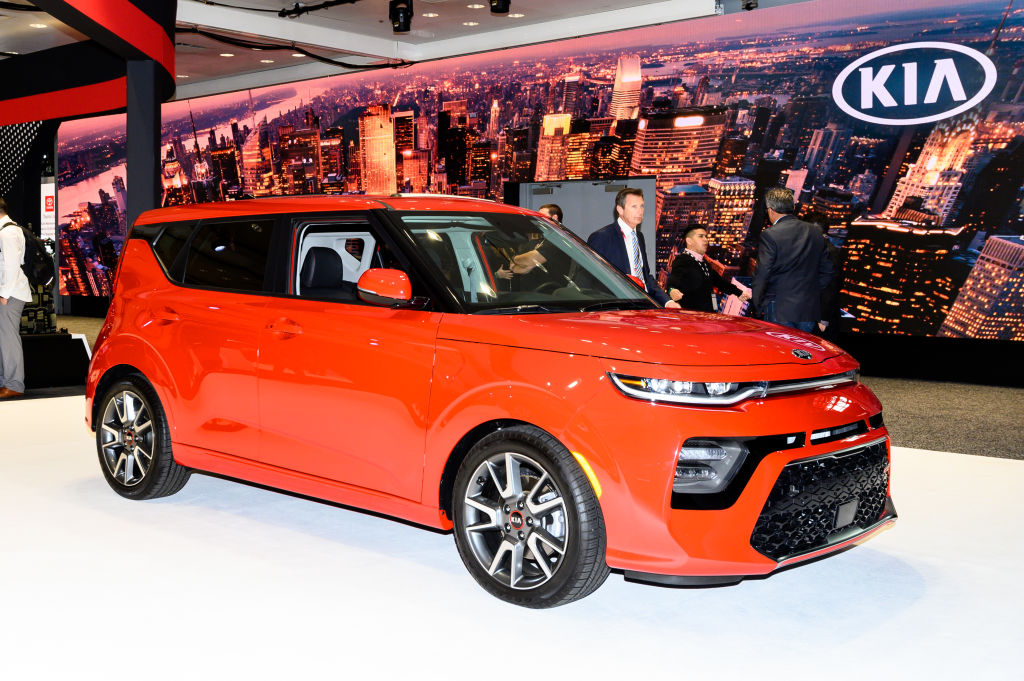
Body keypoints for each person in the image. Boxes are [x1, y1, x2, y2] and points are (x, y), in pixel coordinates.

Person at [751, 188, 833, 332]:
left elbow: (763, 272)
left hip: (778, 304)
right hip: (808, 307)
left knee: (778, 347)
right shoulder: (815, 231)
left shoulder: (771, 234)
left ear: (771, 210)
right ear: (793, 208)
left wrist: (757, 304)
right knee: (798, 349)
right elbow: (827, 271)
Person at [586, 187, 679, 308]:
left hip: (644, 305)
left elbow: (646, 277)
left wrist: (667, 301)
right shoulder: (602, 237)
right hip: (618, 310)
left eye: (642, 206)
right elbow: (591, 279)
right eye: (634, 206)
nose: (640, 211)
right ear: (620, 209)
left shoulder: (639, 237)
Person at [666, 225, 750, 312]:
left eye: (706, 236)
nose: (705, 239)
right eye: (700, 236)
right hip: (693, 316)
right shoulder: (682, 260)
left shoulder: (704, 263)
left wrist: (739, 293)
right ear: (689, 241)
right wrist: (672, 290)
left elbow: (719, 282)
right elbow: (672, 282)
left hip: (708, 314)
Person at [0, 197, 32, 399]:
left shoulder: (8, 232)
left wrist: (4, 293)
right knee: (4, 338)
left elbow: (12, 266)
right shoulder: (10, 230)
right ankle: (6, 381)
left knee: (9, 338)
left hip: (9, 294)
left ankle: (14, 384)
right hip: (8, 291)